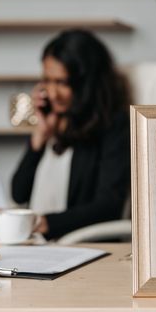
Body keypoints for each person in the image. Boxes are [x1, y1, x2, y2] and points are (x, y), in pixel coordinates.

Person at [11, 29, 131, 240]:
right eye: (47, 81)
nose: (52, 92)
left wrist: (48, 223)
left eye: (62, 83)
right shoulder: (53, 121)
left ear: (86, 83)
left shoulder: (114, 126)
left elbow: (109, 206)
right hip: (38, 243)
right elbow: (18, 193)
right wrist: (40, 136)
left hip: (79, 246)